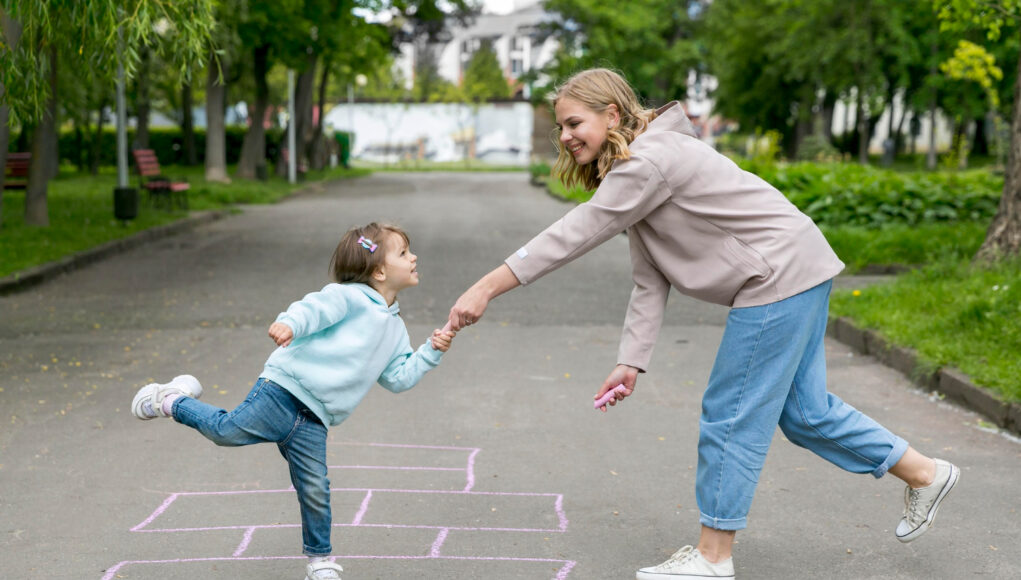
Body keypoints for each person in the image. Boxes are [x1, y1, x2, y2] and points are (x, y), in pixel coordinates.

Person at [446, 69, 959, 579]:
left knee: (730, 414)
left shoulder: (648, 161)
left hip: (776, 278)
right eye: (560, 127)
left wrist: (485, 286)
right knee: (805, 413)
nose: (565, 137)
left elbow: (574, 232)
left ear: (613, 114)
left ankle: (713, 557)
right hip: (799, 268)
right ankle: (925, 473)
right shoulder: (644, 162)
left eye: (574, 122)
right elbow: (650, 277)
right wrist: (631, 360)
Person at [131, 222, 456, 580]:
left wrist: (429, 353)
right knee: (225, 431)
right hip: (283, 391)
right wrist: (290, 324)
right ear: (379, 271)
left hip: (316, 419)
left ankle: (320, 561)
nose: (414, 258)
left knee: (315, 487)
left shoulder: (395, 330)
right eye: (404, 253)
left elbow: (397, 378)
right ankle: (171, 399)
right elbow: (313, 308)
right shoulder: (348, 297)